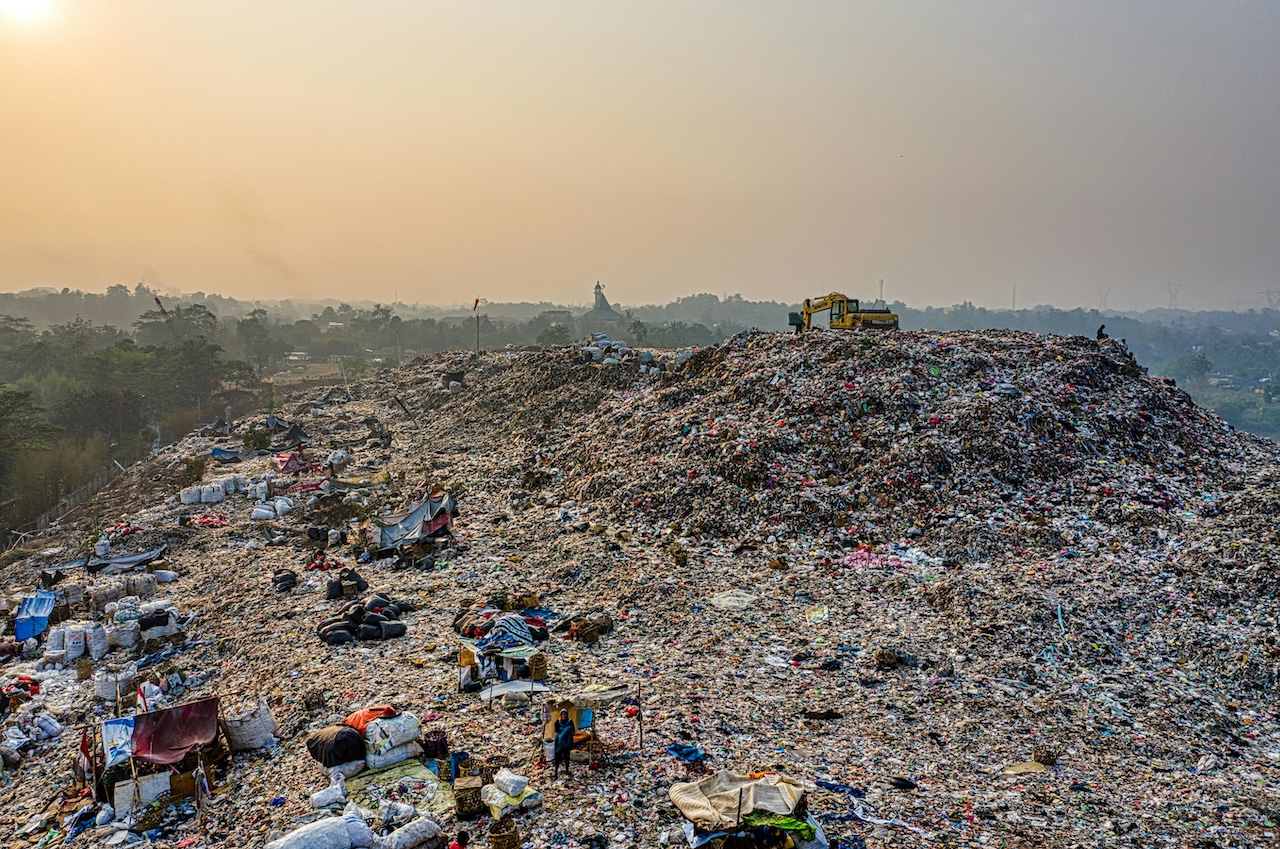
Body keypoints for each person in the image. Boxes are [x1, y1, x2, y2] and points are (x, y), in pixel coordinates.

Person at [554, 708, 575, 778]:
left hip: (567, 742)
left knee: (566, 757)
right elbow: (556, 732)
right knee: (557, 757)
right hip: (559, 743)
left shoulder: (570, 722)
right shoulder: (557, 722)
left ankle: (567, 770)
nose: (564, 716)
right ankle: (555, 773)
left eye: (565, 714)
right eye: (562, 714)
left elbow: (573, 732)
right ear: (560, 715)